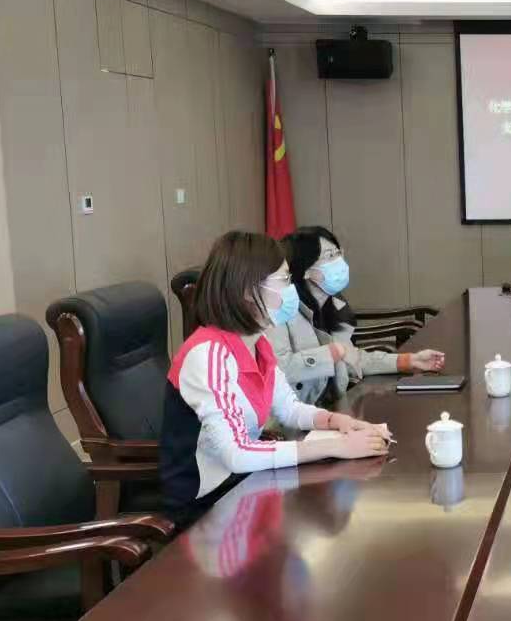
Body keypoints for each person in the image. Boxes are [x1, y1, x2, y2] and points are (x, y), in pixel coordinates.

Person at [160, 231, 392, 525]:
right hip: (207, 508)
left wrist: (336, 422)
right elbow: (237, 453)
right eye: (283, 280)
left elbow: (289, 408)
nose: (292, 289)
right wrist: (336, 446)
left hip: (246, 485)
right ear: (247, 291)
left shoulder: (258, 342)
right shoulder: (208, 354)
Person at [272, 225, 444, 405]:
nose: (339, 261)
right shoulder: (281, 311)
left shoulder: (333, 306)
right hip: (297, 416)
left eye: (338, 253)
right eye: (329, 256)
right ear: (305, 270)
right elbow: (280, 369)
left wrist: (409, 361)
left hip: (333, 408)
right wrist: (330, 354)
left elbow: (352, 358)